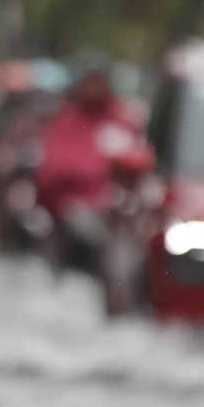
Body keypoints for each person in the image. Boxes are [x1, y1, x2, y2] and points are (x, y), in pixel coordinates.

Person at [30, 58, 154, 274]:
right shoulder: (65, 120)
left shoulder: (123, 118)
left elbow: (139, 157)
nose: (93, 88)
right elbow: (51, 166)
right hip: (70, 206)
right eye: (89, 82)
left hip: (112, 203)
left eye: (98, 82)